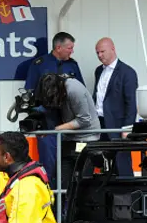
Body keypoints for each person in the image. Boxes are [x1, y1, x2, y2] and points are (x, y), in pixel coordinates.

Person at [24, 32, 85, 188]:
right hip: (48, 125)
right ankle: (51, 207)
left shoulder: (72, 65)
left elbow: (81, 92)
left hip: (71, 125)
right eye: (69, 48)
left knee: (70, 169)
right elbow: (29, 95)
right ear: (58, 47)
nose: (72, 51)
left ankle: (66, 209)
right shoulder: (39, 64)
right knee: (49, 168)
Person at [36, 73, 100, 208]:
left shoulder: (74, 89)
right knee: (62, 181)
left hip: (86, 138)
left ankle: (82, 216)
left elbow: (84, 119)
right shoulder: (56, 90)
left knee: (82, 181)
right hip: (68, 139)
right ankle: (63, 215)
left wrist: (55, 130)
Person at [93, 37, 138, 176]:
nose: (100, 55)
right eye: (97, 53)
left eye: (102, 52)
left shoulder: (127, 72)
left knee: (121, 162)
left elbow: (131, 103)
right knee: (100, 159)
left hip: (118, 124)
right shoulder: (98, 71)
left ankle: (127, 195)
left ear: (113, 49)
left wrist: (127, 128)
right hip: (99, 122)